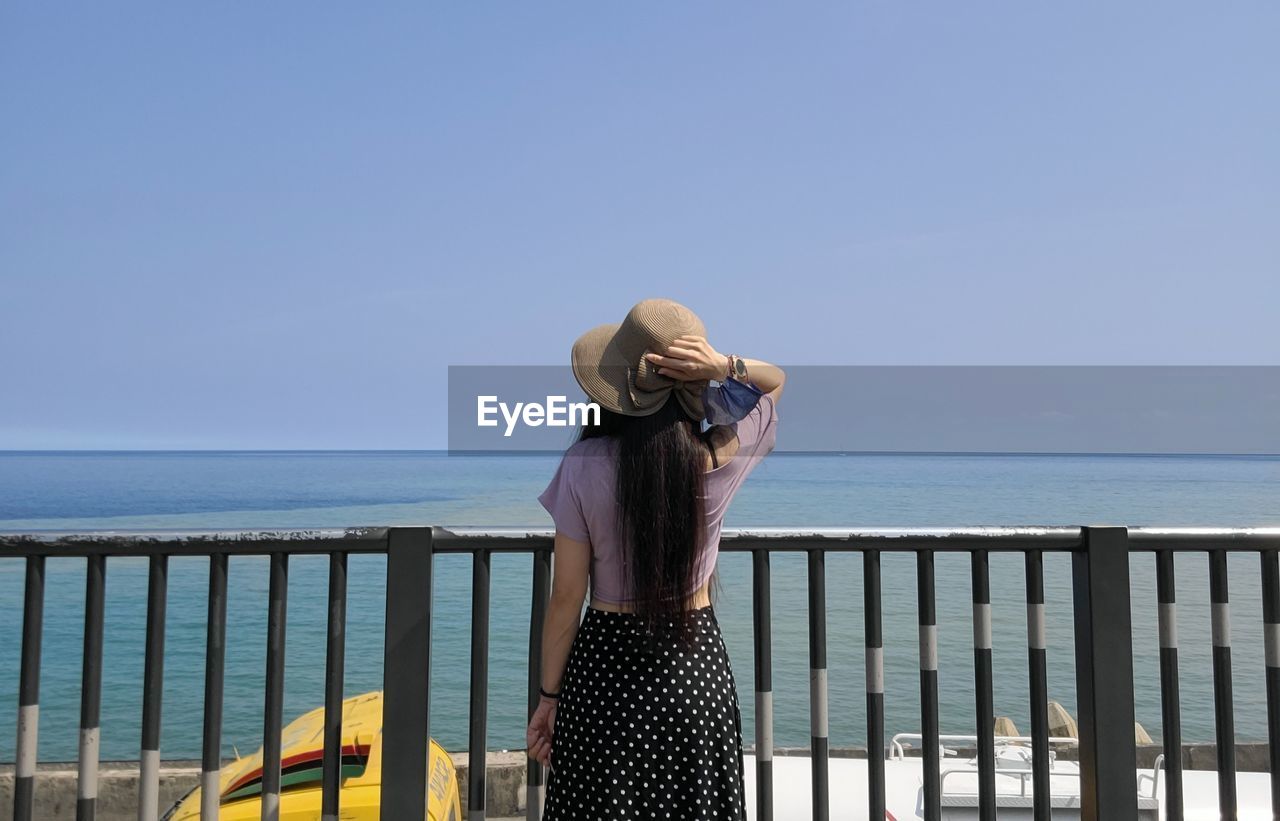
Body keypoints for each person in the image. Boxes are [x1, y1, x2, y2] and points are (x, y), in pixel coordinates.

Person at [527, 298, 784, 820]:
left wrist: (549, 697)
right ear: (694, 385)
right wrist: (725, 367)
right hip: (694, 670)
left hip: (604, 676)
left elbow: (565, 600)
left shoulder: (582, 465)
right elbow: (774, 384)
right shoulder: (721, 456)